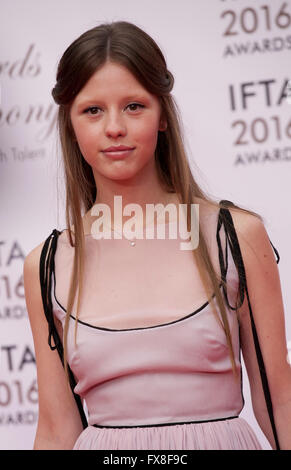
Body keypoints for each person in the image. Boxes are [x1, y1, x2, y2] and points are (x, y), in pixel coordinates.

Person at [23, 20, 291, 450]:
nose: (114, 127)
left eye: (133, 106)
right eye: (93, 110)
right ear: (71, 125)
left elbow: (281, 403)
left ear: (162, 115)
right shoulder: (47, 264)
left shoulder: (234, 236)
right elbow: (56, 429)